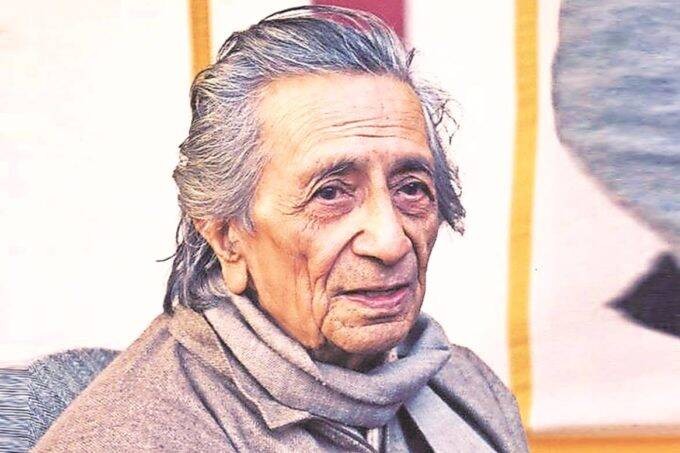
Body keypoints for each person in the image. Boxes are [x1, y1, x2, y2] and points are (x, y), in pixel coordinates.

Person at [34, 6, 528, 452]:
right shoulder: (136, 436)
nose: (390, 240)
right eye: (330, 193)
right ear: (227, 238)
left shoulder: (468, 389)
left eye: (411, 188)